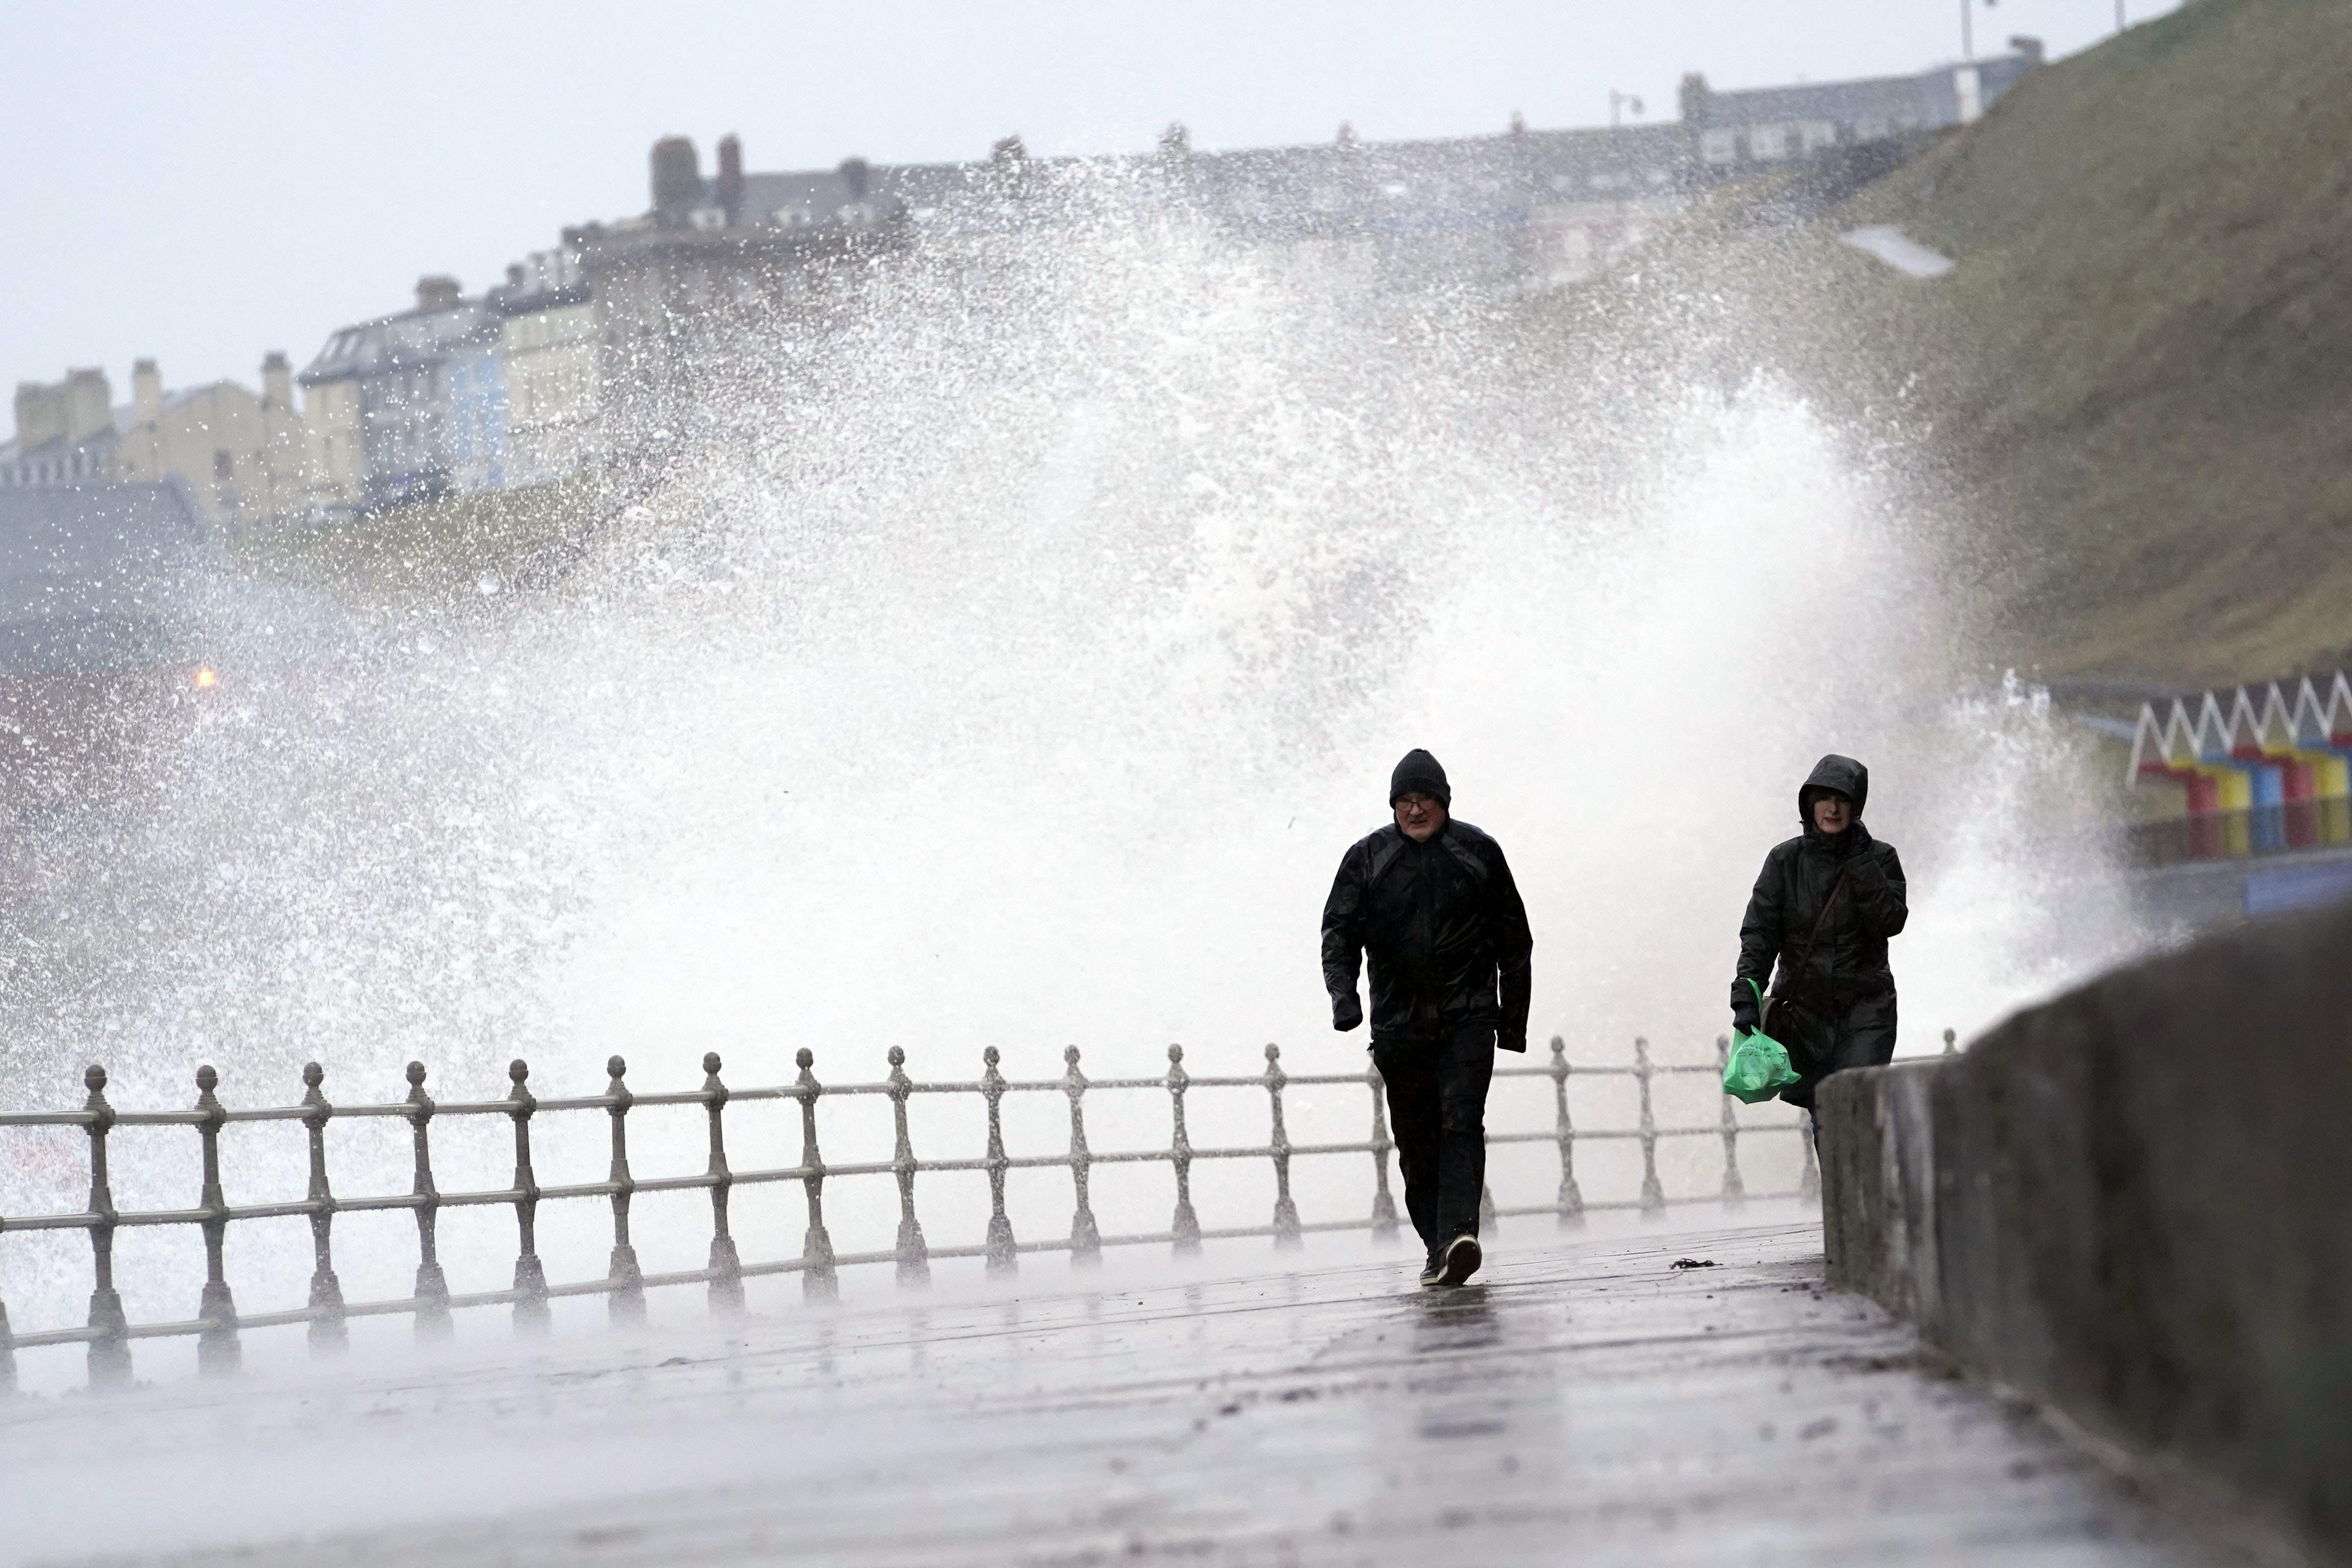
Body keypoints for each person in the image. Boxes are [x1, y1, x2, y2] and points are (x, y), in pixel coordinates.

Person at [1321, 749, 1532, 1288]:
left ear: (1444, 802)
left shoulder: (1477, 851)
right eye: (1405, 801)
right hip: (1398, 1026)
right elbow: (1338, 934)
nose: (1415, 811)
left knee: (1461, 1122)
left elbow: (1515, 939)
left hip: (1467, 1020)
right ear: (1393, 805)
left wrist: (1512, 1022)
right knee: (1416, 1141)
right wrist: (1344, 1000)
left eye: (1425, 800)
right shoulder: (1367, 858)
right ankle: (1439, 1247)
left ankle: (1461, 1233)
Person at [1731, 754, 1907, 1138]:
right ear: (1809, 804)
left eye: (1842, 798)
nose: (1832, 807)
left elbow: (1890, 921)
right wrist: (1747, 995)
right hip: (1805, 1014)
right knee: (1826, 1117)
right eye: (1824, 797)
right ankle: (1842, 1198)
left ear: (1855, 806)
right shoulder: (1785, 860)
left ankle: (1870, 1194)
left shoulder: (1880, 858)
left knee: (1860, 1105)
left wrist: (1860, 862)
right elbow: (1760, 933)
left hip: (1866, 1009)